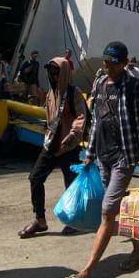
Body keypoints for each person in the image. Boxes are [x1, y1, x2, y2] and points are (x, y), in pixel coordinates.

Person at [63, 41, 139, 278]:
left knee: (106, 212)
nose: (107, 66)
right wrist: (89, 154)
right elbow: (98, 123)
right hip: (102, 157)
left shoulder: (134, 87)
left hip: (124, 157)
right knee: (116, 209)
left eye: (113, 62)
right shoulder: (100, 84)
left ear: (124, 63)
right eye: (105, 61)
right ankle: (138, 251)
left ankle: (86, 273)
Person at [18, 56, 87, 238]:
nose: (53, 76)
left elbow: (81, 117)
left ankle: (74, 220)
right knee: (35, 178)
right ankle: (40, 219)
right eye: (50, 72)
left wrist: (72, 135)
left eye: (57, 72)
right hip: (51, 145)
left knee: (71, 184)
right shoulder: (51, 93)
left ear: (64, 73)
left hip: (68, 146)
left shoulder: (74, 93)